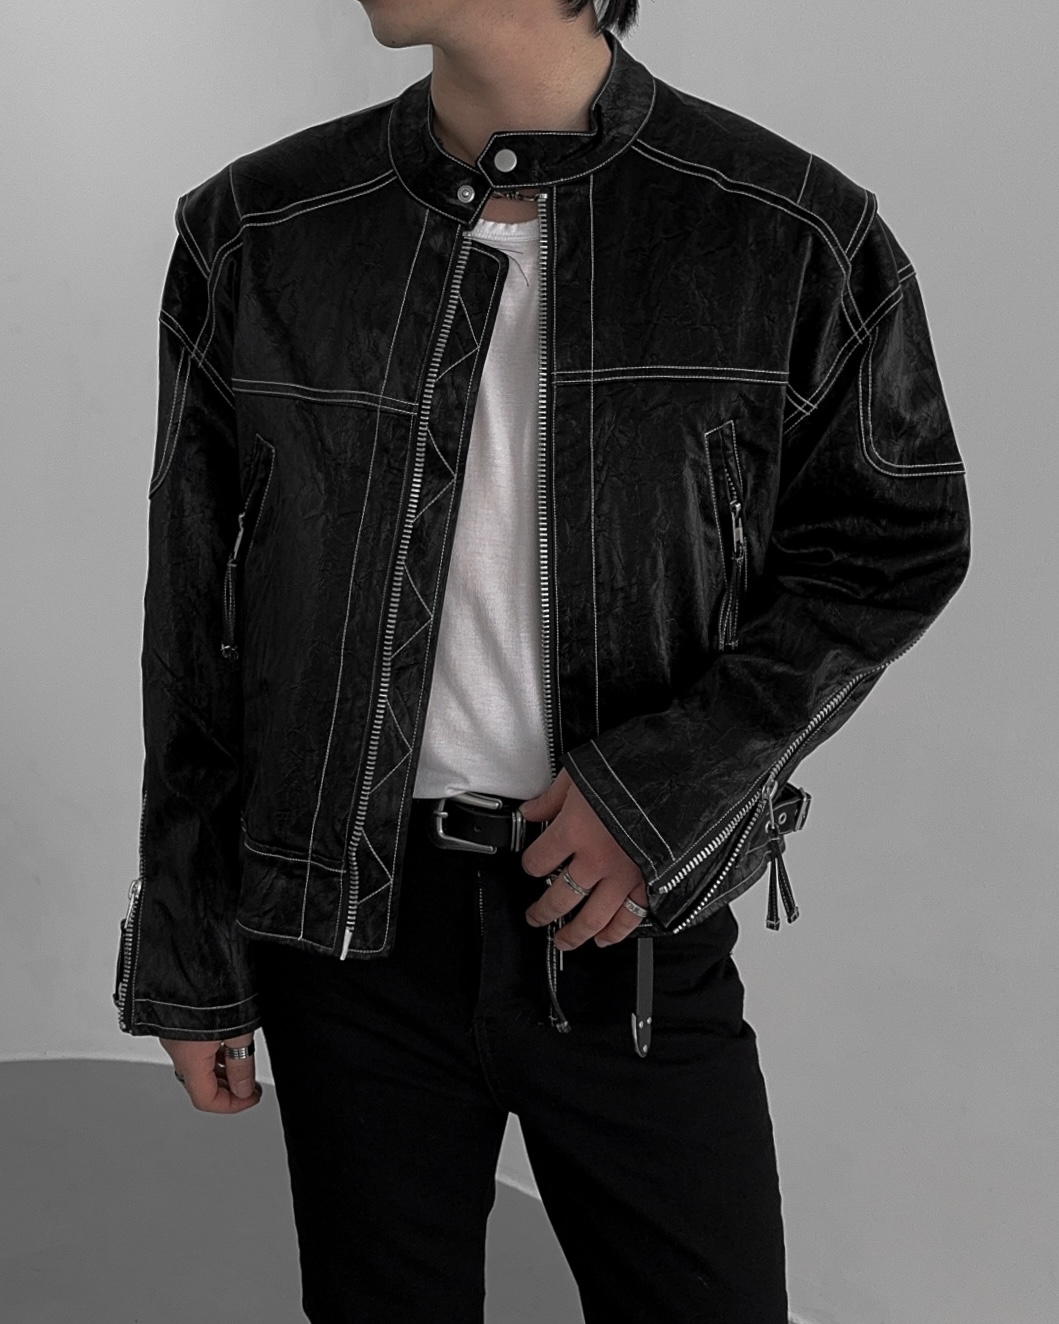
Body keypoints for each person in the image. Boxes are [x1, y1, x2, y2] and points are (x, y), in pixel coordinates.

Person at [111, 0, 972, 1319]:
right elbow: (198, 622)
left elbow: (894, 538)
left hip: (627, 930)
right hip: (346, 943)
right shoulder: (262, 229)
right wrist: (189, 946)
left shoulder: (784, 229)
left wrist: (667, 791)